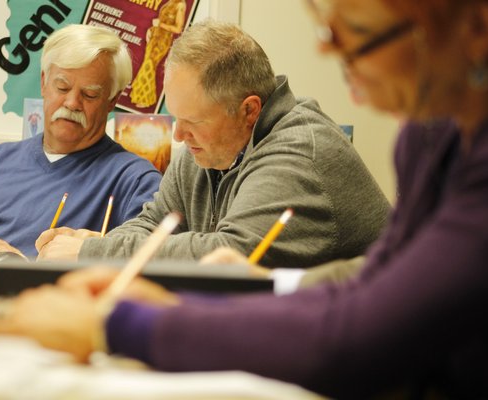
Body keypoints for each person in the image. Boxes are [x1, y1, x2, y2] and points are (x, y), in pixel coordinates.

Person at [0, 1, 488, 397]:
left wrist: (119, 323)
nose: (330, 51)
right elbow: (373, 277)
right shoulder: (430, 135)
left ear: (475, 28)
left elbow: (361, 329)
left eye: (358, 34)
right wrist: (223, 293)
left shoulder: (301, 151)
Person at [36, 20, 390, 269]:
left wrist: (93, 251)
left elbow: (230, 254)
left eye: (193, 122)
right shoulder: (205, 148)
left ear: (248, 110)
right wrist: (96, 246)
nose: (178, 136)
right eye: (177, 120)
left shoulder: (300, 151)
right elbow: (155, 223)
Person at [0, 25, 162, 257]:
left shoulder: (134, 180)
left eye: (90, 94)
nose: (72, 103)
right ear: (43, 83)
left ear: (112, 100)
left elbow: (152, 261)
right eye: (62, 87)